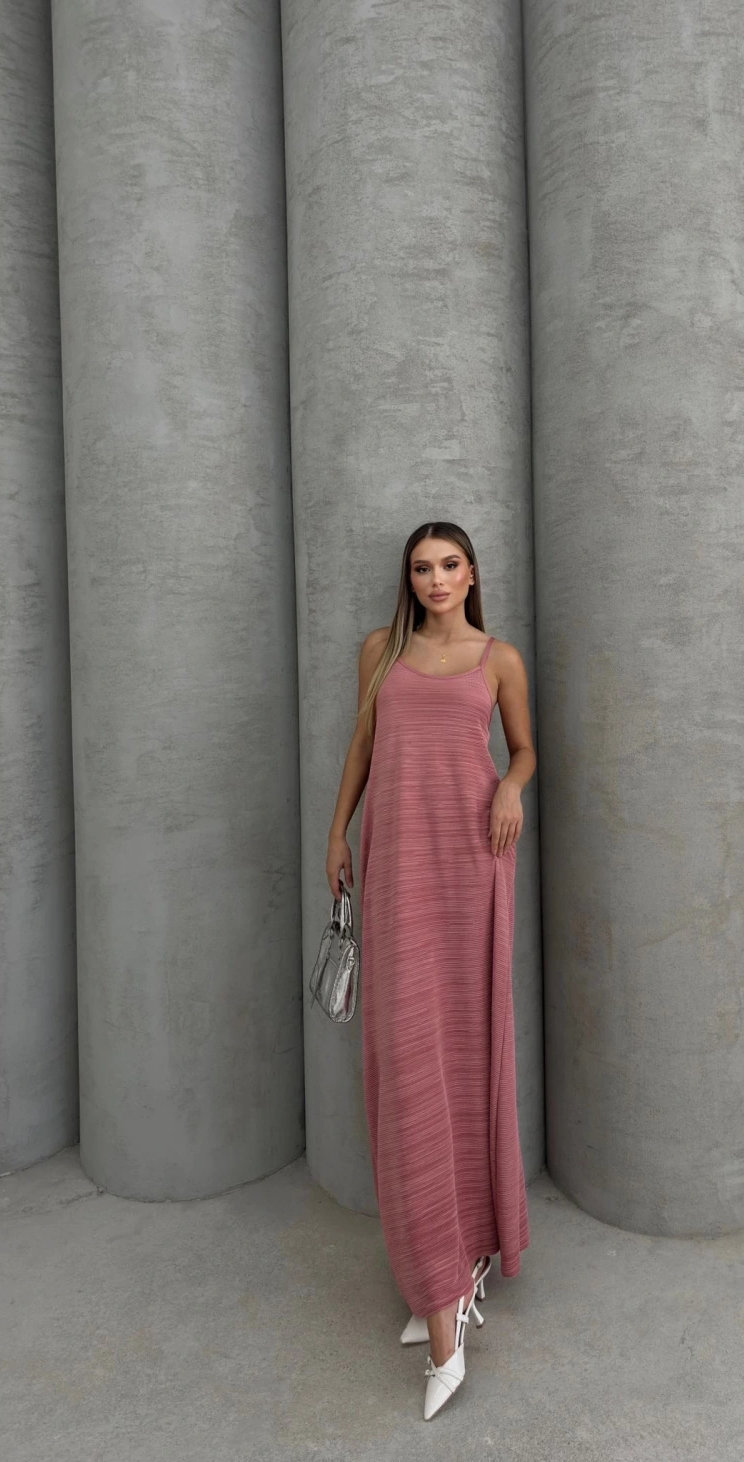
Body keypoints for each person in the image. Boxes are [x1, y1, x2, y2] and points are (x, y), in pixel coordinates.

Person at [325, 520, 535, 1420]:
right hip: (397, 863)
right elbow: (363, 748)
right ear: (408, 579)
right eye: (422, 568)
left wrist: (510, 785)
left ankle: (455, 1280)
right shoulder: (381, 650)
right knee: (409, 1064)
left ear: (471, 574)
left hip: (471, 862)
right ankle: (439, 1277)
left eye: (450, 565)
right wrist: (337, 831)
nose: (437, 579)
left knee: (467, 1051)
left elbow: (524, 749)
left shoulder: (499, 659)